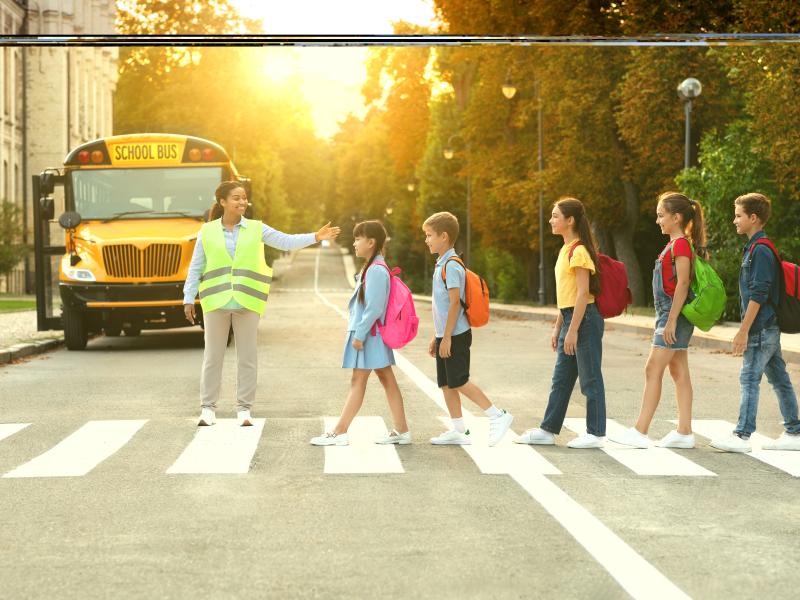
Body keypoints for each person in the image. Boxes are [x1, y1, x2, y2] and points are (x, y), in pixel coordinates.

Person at [183, 180, 340, 427]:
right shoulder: (207, 231)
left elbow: (285, 241)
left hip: (247, 300)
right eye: (236, 198)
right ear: (222, 202)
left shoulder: (257, 229)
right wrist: (188, 297)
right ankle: (208, 409)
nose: (242, 202)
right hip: (215, 301)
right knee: (213, 357)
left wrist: (315, 237)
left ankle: (244, 410)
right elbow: (196, 267)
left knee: (247, 357)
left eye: (244, 197)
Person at [611, 192, 704, 449]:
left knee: (653, 368)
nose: (657, 221)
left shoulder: (681, 245)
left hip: (672, 314)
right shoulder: (675, 245)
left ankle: (640, 431)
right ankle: (684, 432)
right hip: (670, 313)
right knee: (678, 371)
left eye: (661, 215)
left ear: (676, 217)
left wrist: (671, 320)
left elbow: (683, 283)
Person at [710, 192, 800, 452]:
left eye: (738, 215)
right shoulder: (756, 247)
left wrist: (743, 330)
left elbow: (759, 294)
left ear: (754, 218)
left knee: (749, 378)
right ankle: (794, 432)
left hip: (760, 328)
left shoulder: (760, 250)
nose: (734, 220)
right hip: (767, 327)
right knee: (779, 379)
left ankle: (742, 435)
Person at [515, 197, 607, 449]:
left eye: (556, 216)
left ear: (570, 220)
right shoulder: (565, 250)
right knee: (561, 380)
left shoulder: (579, 251)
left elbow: (582, 293)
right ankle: (548, 430)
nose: (551, 220)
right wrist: (559, 327)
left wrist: (573, 330)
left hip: (585, 319)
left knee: (590, 378)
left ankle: (596, 433)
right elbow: (565, 297)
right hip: (571, 318)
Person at [310, 220, 410, 446]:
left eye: (357, 239)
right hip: (372, 334)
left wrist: (359, 335)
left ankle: (339, 431)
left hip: (369, 335)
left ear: (371, 242)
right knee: (386, 379)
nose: (354, 243)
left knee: (359, 380)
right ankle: (402, 429)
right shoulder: (374, 267)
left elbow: (374, 307)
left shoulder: (375, 270)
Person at [423, 211, 514, 447]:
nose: (426, 240)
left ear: (444, 236)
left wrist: (447, 338)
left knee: (459, 380)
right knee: (446, 382)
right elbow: (443, 307)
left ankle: (497, 415)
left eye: (429, 235)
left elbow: (455, 303)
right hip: (446, 334)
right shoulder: (441, 263)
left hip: (456, 335)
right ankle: (459, 430)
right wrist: (438, 336)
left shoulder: (451, 266)